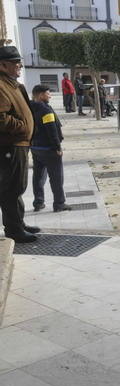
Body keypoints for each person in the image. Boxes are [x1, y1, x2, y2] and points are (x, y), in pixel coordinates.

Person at [0, 46, 40, 243]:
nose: (19, 65)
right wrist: (23, 127)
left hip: (20, 144)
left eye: (19, 62)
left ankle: (19, 223)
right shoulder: (1, 85)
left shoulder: (12, 84)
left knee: (17, 187)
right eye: (15, 62)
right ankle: (14, 230)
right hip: (10, 145)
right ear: (3, 65)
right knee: (11, 189)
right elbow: (1, 118)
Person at [30, 85, 72, 213]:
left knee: (38, 176)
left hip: (35, 147)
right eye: (48, 94)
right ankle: (59, 204)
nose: (50, 96)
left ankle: (38, 202)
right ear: (41, 95)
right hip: (49, 148)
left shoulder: (29, 107)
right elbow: (51, 129)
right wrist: (57, 147)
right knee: (56, 177)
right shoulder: (45, 110)